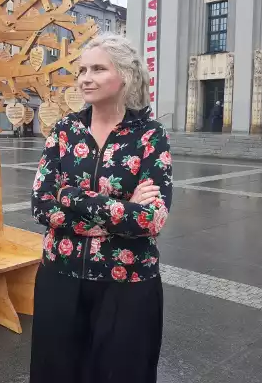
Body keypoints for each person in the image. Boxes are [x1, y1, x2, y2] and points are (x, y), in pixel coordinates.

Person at [30, 34, 173, 382]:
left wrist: (70, 196)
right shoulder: (65, 131)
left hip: (127, 284)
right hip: (60, 277)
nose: (85, 78)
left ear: (124, 75)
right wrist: (122, 208)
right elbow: (40, 205)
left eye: (97, 69)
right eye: (82, 70)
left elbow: (152, 220)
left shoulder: (150, 136)